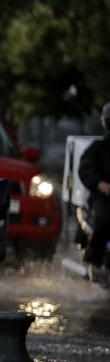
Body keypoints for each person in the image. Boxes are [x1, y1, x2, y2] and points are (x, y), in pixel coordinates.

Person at [77, 102, 110, 285]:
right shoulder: (98, 147)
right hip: (102, 198)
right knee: (105, 219)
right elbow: (85, 168)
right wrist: (99, 183)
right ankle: (94, 261)